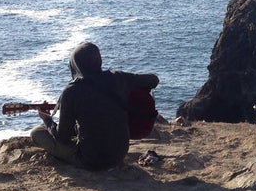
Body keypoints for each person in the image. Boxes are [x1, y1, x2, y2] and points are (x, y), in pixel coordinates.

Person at [30, 42, 159, 170]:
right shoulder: (118, 78)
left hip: (91, 161)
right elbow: (154, 80)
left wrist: (47, 120)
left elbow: (62, 137)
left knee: (37, 132)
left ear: (74, 64)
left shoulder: (71, 91)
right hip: (119, 155)